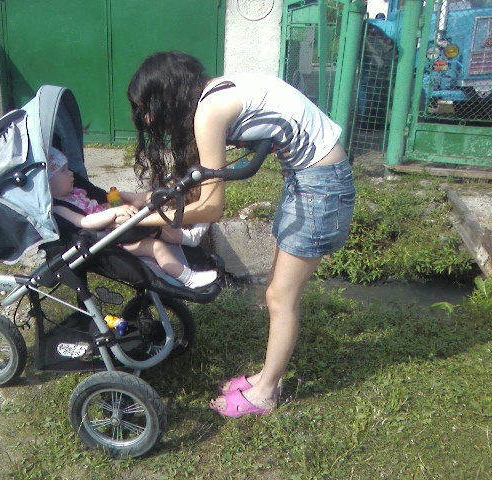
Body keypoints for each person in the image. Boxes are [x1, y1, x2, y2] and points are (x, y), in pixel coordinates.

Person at [126, 51, 355, 417]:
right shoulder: (215, 93)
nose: (147, 119)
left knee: (280, 297)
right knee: (276, 291)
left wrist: (149, 217)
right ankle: (267, 377)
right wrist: (146, 200)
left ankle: (265, 394)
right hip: (310, 179)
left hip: (320, 187)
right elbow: (198, 183)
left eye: (146, 108)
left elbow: (211, 207)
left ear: (165, 96)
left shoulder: (210, 112)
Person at [47, 147, 217, 289]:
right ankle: (188, 278)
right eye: (63, 171)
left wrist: (110, 206)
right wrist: (113, 213)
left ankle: (187, 238)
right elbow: (84, 221)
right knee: (156, 247)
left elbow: (93, 208)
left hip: (116, 229)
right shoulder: (58, 207)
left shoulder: (75, 193)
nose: (71, 174)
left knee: (149, 219)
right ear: (47, 182)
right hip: (108, 240)